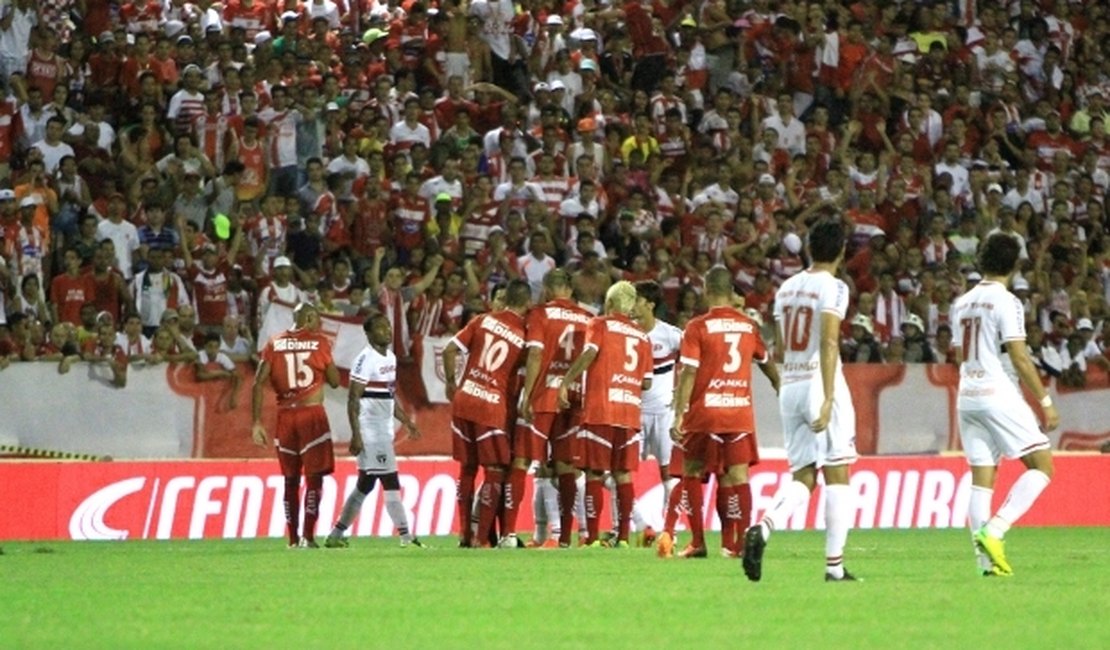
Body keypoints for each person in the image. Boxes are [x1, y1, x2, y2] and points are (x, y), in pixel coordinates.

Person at [744, 220, 859, 583]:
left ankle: (764, 526)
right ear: (841, 251)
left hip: (790, 382)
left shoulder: (786, 288)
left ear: (810, 248)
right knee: (837, 471)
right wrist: (827, 397)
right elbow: (828, 341)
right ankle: (834, 567)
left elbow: (778, 342)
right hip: (817, 381)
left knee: (803, 476)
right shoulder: (835, 287)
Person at [952, 234, 1058, 577]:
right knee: (1042, 465)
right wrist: (1044, 401)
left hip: (967, 396)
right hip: (996, 392)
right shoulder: (1007, 302)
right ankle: (995, 531)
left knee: (982, 479)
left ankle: (987, 565)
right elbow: (1020, 357)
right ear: (1015, 265)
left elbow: (957, 356)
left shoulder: (962, 302)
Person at [665, 267, 780, 559]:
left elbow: (689, 372)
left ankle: (698, 542)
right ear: (731, 293)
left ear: (706, 291)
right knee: (738, 477)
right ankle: (737, 544)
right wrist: (781, 388)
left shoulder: (697, 326)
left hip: (705, 413)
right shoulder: (748, 325)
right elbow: (766, 362)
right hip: (739, 414)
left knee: (691, 472)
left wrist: (680, 412)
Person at [558, 281, 653, 548]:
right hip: (629, 412)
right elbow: (647, 382)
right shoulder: (642, 336)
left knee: (594, 474)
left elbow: (589, 353)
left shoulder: (599, 324)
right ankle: (623, 537)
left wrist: (566, 382)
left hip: (601, 409)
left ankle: (592, 537)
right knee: (623, 475)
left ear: (610, 304)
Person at [443, 278, 531, 548]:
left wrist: (451, 383)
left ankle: (463, 535)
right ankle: (482, 538)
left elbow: (449, 349)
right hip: (491, 404)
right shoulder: (524, 335)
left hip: (464, 398)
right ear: (526, 302)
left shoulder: (482, 320)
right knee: (495, 469)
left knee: (467, 468)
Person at [325, 312, 424, 549]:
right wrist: (356, 435)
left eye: (388, 326)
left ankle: (336, 535)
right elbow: (353, 399)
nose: (387, 331)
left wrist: (407, 422)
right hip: (371, 433)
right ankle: (406, 537)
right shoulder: (364, 359)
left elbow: (388, 396)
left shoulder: (390, 357)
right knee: (391, 481)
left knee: (365, 484)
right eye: (380, 328)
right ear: (368, 334)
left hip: (383, 430)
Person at [252, 302, 340, 548]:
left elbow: (258, 383)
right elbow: (334, 381)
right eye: (317, 318)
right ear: (309, 317)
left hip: (285, 417)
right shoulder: (320, 342)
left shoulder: (274, 342)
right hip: (311, 416)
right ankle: (308, 537)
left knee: (290, 480)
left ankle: (292, 539)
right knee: (314, 478)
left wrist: (256, 422)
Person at [517, 268, 593, 547]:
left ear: (547, 290)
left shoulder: (539, 314)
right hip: (574, 397)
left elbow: (535, 353)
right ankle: (565, 538)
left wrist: (527, 396)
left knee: (526, 461)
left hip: (545, 394)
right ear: (570, 291)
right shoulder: (588, 318)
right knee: (566, 467)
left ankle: (512, 535)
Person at [630, 280, 682, 546]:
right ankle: (641, 524)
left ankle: (666, 530)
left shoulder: (671, 335)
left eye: (636, 300)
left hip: (663, 413)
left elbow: (692, 362)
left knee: (669, 475)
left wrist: (681, 394)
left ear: (650, 304)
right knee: (617, 474)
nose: (631, 305)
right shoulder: (626, 334)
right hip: (631, 412)